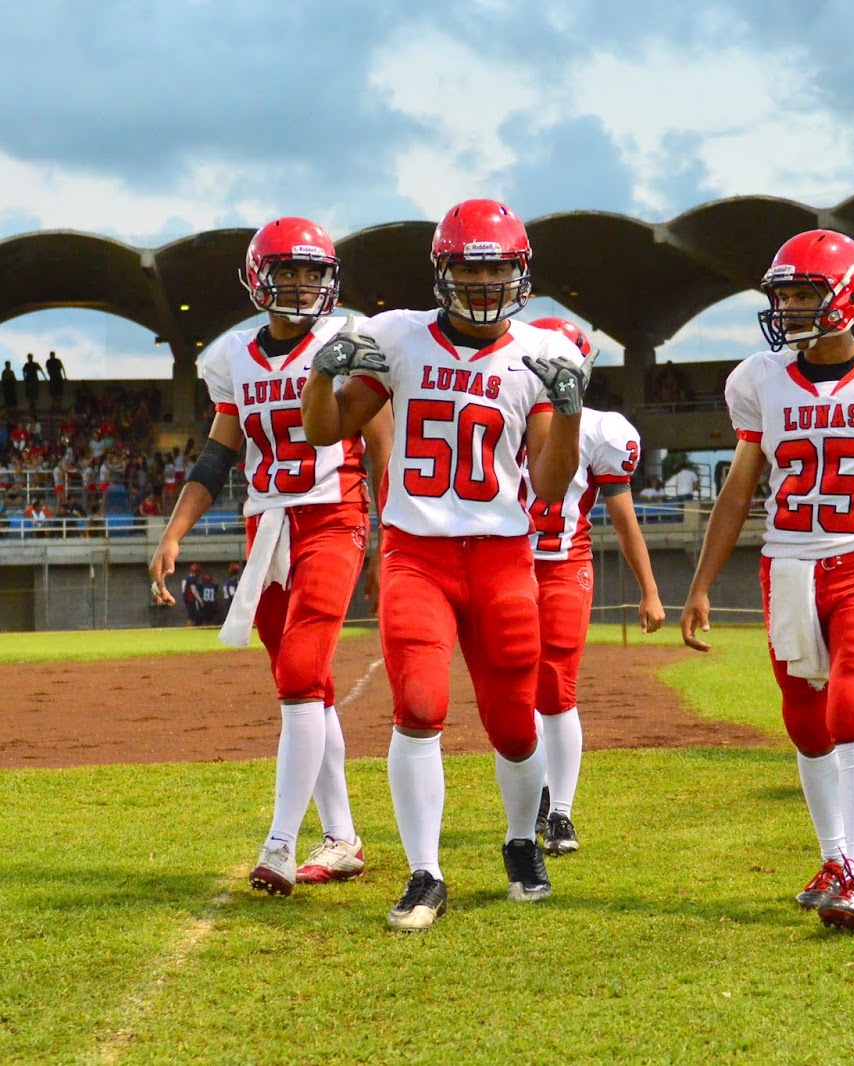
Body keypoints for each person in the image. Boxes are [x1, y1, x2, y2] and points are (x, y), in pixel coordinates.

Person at [300, 197, 589, 932]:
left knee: (515, 727)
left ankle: (522, 841)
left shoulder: (538, 354)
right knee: (420, 707)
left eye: (498, 271)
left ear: (520, 274)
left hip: (499, 556)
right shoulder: (398, 338)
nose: (486, 285)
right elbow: (327, 428)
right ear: (444, 271)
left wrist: (572, 413)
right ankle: (425, 870)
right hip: (418, 553)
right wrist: (318, 375)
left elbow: (552, 486)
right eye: (471, 268)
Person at [680, 229, 854, 933]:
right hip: (789, 563)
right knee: (806, 723)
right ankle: (834, 858)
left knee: (853, 712)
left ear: (851, 295)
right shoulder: (759, 379)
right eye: (785, 294)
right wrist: (703, 582)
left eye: (806, 292)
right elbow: (740, 490)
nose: (792, 307)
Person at [150, 216, 392, 898]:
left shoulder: (349, 339)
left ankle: (281, 843)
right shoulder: (233, 357)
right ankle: (341, 838)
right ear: (261, 278)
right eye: (289, 270)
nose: (302, 283)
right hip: (268, 528)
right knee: (306, 689)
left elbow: (382, 443)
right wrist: (175, 533)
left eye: (314, 271)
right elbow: (220, 452)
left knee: (300, 671)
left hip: (333, 516)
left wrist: (386, 536)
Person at [525, 317, 665, 856]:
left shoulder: (600, 429)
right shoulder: (498, 410)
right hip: (506, 563)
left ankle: (560, 812)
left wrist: (649, 589)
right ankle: (535, 795)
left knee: (555, 688)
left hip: (562, 564)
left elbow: (625, 519)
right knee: (515, 690)